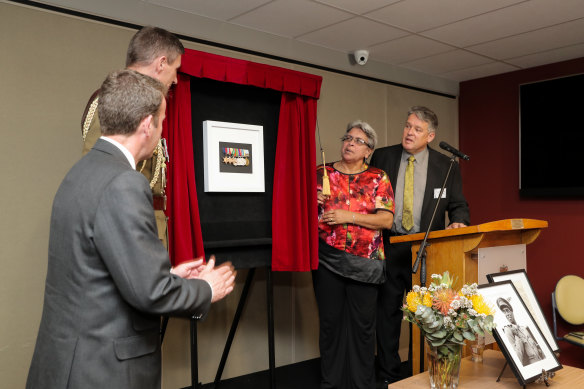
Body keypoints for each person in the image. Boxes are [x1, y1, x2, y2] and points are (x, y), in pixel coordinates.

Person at [26, 70, 236, 389]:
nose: (162, 130)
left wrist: (170, 277)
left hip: (66, 361)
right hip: (101, 370)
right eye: (163, 121)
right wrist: (206, 289)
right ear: (147, 125)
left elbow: (100, 271)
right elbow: (150, 294)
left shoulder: (81, 172)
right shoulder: (125, 183)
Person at [369, 106, 470, 386]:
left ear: (431, 136)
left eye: (417, 129)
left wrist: (460, 222)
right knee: (386, 313)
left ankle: (420, 373)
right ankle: (388, 375)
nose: (409, 132)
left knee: (424, 317)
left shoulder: (447, 166)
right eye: (407, 126)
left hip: (425, 251)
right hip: (389, 248)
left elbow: (458, 204)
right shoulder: (384, 156)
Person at [81, 26, 184, 247]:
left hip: (145, 225)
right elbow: (97, 177)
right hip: (126, 232)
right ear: (162, 63)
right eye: (176, 69)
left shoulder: (149, 103)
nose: (175, 79)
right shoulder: (113, 100)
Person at [314, 120, 395, 389]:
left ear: (368, 150)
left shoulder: (378, 178)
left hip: (365, 264)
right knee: (330, 326)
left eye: (358, 141)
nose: (349, 143)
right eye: (347, 138)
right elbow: (302, 216)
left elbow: (385, 221)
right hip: (326, 259)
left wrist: (347, 216)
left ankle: (363, 384)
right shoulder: (320, 173)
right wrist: (307, 203)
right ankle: (331, 383)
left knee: (362, 328)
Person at [497, 297, 545, 366]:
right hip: (531, 367)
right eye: (504, 312)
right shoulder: (508, 330)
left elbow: (536, 346)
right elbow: (517, 357)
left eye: (507, 310)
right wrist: (518, 338)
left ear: (511, 311)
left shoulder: (524, 328)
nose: (507, 314)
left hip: (541, 362)